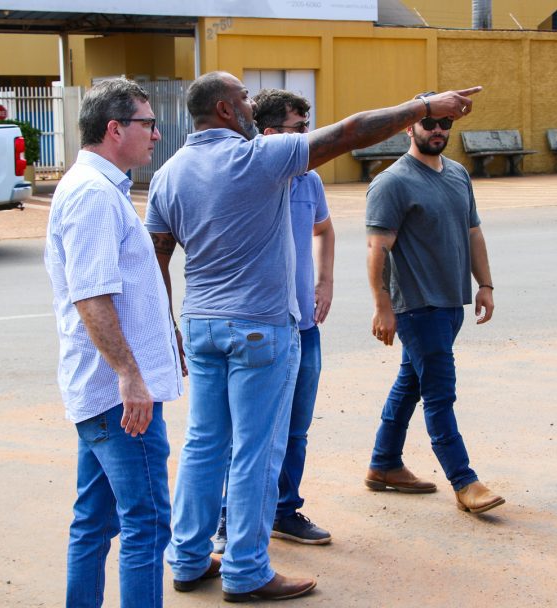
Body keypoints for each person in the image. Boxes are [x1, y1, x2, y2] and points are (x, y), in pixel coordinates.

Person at [146, 71, 479, 603]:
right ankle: (248, 570)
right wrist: (423, 105)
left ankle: (188, 557)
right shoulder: (256, 157)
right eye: (244, 98)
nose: (253, 105)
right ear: (227, 111)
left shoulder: (168, 173)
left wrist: (167, 328)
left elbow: (158, 257)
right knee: (256, 451)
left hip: (202, 324)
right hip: (260, 328)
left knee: (204, 445)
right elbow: (350, 132)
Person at [43, 78, 184, 608]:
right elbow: (92, 296)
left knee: (94, 522)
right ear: (114, 128)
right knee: (146, 523)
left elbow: (121, 291)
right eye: (148, 124)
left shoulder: (102, 189)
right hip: (119, 397)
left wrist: (165, 340)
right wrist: (130, 374)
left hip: (109, 392)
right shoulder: (92, 194)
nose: (156, 134)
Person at [363, 92, 505, 515]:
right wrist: (383, 306)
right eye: (430, 124)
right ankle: (464, 482)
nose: (439, 131)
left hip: (451, 304)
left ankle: (383, 463)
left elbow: (473, 232)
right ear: (410, 126)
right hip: (417, 308)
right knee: (441, 394)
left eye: (446, 124)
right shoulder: (392, 182)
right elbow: (377, 249)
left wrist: (486, 284)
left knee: (411, 384)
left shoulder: (458, 174)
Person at [210, 88, 335, 554]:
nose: (310, 138)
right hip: (257, 326)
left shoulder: (310, 182)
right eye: (301, 130)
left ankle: (284, 510)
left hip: (304, 328)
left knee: (295, 428)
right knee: (243, 433)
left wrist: (325, 281)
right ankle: (227, 519)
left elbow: (324, 229)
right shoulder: (248, 182)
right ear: (269, 135)